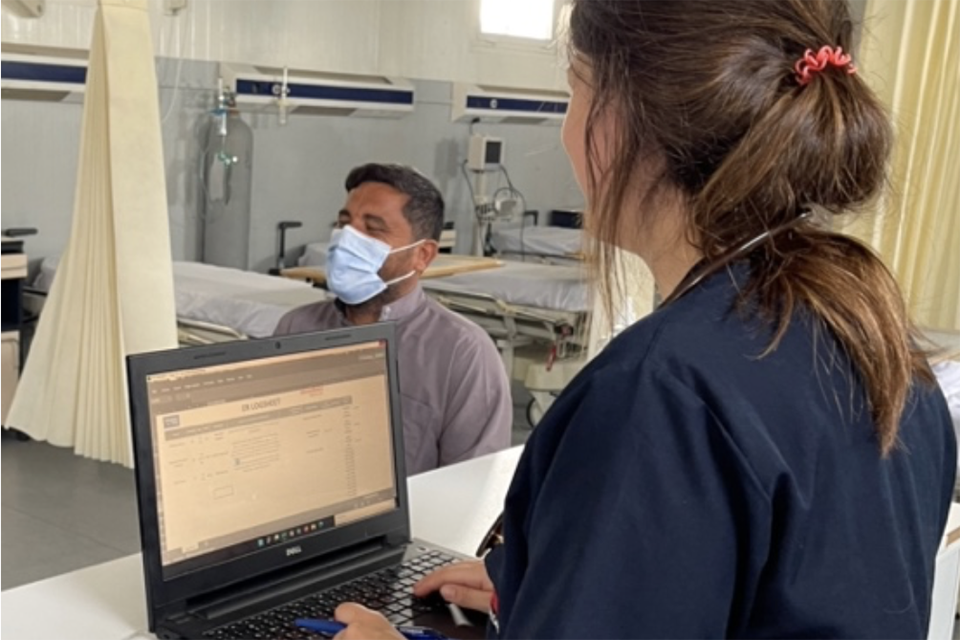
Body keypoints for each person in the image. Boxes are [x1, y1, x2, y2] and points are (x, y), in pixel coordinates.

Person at [332, 0, 957, 638]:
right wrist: (551, 579)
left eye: (575, 90)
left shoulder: (658, 393)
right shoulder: (873, 336)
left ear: (618, 122)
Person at [274, 163, 512, 476]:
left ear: (422, 255)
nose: (347, 240)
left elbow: (473, 482)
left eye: (373, 229)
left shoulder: (462, 352)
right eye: (343, 224)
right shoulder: (295, 329)